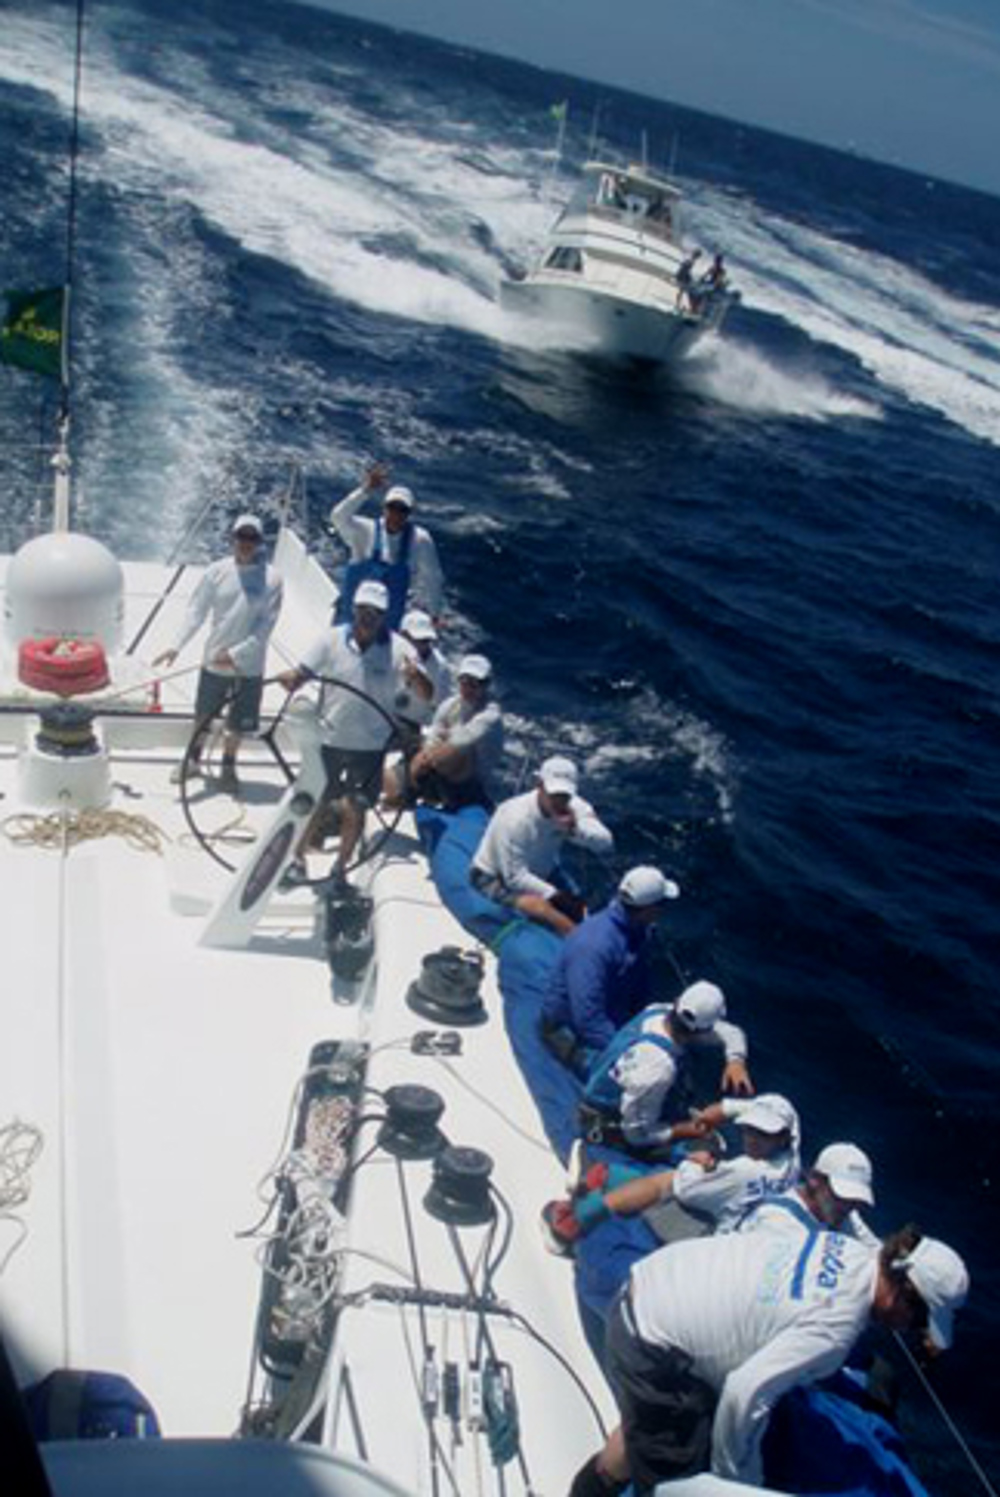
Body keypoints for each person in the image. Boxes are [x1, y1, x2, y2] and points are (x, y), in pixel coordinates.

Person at [569, 1224, 969, 1496]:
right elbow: (744, 1395)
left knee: (650, 1432)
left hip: (645, 1292)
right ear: (901, 1292)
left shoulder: (850, 1251)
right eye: (919, 1318)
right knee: (680, 1484)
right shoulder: (838, 1324)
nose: (912, 1330)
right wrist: (739, 1482)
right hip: (655, 1349)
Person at [278, 579, 427, 885]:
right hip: (330, 738)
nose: (368, 617)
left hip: (371, 747)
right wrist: (292, 678)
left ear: (384, 615)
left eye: (375, 612)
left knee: (355, 807)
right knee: (317, 801)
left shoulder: (401, 649)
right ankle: (297, 859)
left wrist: (415, 677)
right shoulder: (330, 640)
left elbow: (427, 693)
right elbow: (303, 673)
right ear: (353, 609)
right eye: (363, 610)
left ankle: (340, 868)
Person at [542, 1092, 800, 1256]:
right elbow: (761, 1111)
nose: (753, 1138)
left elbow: (685, 1187)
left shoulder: (745, 1170)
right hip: (741, 1234)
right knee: (615, 1175)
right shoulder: (791, 1158)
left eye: (763, 1134)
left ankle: (575, 1224)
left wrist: (699, 1156)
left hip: (708, 1243)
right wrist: (723, 1110)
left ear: (781, 1137)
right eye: (750, 1129)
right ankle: (594, 1190)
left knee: (665, 1180)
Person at [154, 514, 283, 796]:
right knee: (203, 715)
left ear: (260, 542)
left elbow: (266, 627)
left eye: (252, 538)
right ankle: (193, 760)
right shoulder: (216, 571)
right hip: (214, 661)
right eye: (241, 537)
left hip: (249, 666)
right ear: (232, 538)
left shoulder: (273, 579)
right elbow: (196, 612)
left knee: (237, 723)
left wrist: (236, 655)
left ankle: (228, 766)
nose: (246, 543)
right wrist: (176, 646)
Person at [577, 981, 753, 1157]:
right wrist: (684, 1130)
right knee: (708, 1154)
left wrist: (735, 1061)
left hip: (629, 1095)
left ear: (677, 1002)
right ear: (702, 1032)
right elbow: (637, 1135)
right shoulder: (660, 1069)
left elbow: (730, 1033)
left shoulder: (657, 1010)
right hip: (610, 1126)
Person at [540, 866, 681, 1078]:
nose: (663, 911)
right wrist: (629, 1050)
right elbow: (587, 1019)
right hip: (568, 1034)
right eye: (661, 905)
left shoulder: (638, 931)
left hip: (612, 1018)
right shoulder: (593, 946)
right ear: (646, 910)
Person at [470, 756, 613, 935]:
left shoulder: (574, 807)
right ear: (539, 785)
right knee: (546, 911)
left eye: (564, 796)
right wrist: (555, 895)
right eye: (554, 794)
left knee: (582, 909)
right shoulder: (515, 819)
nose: (559, 802)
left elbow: (605, 842)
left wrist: (575, 829)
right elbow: (514, 878)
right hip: (493, 878)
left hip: (542, 873)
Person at [329, 461, 443, 630]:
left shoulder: (420, 540)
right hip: (349, 619)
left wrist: (434, 613)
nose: (396, 514)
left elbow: (432, 578)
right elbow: (338, 517)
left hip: (386, 628)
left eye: (402, 509)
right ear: (384, 508)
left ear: (410, 513)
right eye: (392, 507)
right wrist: (365, 490)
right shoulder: (365, 530)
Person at [402, 653, 504, 810]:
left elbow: (461, 741)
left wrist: (424, 759)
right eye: (464, 682)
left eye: (475, 684)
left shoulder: (491, 715)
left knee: (452, 752)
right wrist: (425, 754)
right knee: (393, 777)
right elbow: (434, 735)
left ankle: (419, 790)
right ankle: (414, 790)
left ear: (486, 685)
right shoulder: (450, 704)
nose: (468, 688)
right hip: (438, 767)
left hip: (469, 784)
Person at [739, 1140, 878, 1242]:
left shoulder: (843, 1215)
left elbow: (877, 1255)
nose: (847, 1206)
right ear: (814, 1179)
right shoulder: (775, 1221)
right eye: (841, 1196)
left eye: (854, 1201)